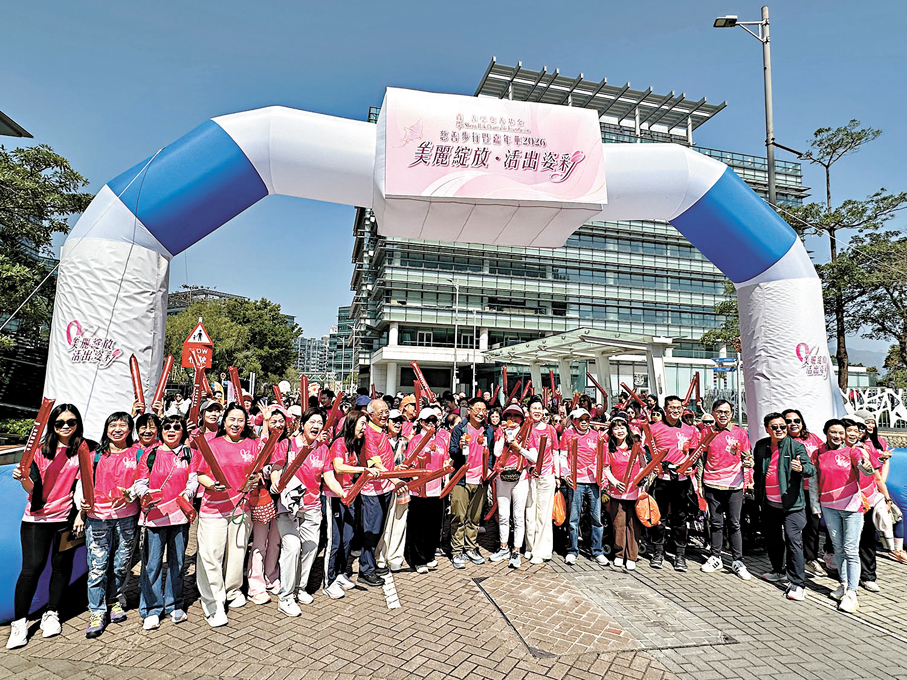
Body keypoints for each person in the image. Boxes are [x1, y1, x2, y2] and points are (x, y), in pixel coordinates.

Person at [8, 404, 87, 649]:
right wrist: (24, 478)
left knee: (61, 566)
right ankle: (20, 623)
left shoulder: (83, 449)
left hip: (66, 518)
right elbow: (32, 488)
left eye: (71, 422)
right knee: (32, 568)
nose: (66, 426)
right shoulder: (40, 451)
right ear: (52, 425)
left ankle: (52, 613)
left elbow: (83, 484)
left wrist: (81, 515)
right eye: (60, 422)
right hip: (37, 519)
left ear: (78, 424)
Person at [269, 407, 340, 615]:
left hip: (312, 508)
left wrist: (344, 492)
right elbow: (276, 468)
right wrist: (275, 482)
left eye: (320, 423)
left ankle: (300, 588)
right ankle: (286, 597)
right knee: (292, 547)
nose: (316, 426)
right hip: (288, 508)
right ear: (302, 424)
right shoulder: (287, 444)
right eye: (312, 422)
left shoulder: (323, 449)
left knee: (311, 547)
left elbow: (329, 477)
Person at [195, 403, 258, 627]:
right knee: (211, 556)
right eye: (232, 419)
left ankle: (232, 590)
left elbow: (257, 472)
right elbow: (201, 474)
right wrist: (211, 485)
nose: (236, 424)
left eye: (240, 420)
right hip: (214, 508)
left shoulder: (252, 445)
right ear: (224, 421)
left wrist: (255, 480)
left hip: (241, 508)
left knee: (237, 554)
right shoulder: (212, 444)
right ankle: (213, 603)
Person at [134, 415, 198, 629]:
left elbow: (193, 480)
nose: (171, 430)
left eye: (176, 427)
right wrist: (145, 493)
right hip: (155, 517)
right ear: (161, 431)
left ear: (183, 431)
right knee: (152, 564)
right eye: (167, 427)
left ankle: (174, 604)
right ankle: (151, 609)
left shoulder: (190, 454)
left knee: (177, 563)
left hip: (179, 516)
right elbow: (139, 482)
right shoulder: (149, 454)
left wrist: (187, 494)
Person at [83, 412, 141, 638]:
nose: (117, 429)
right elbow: (82, 483)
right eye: (112, 425)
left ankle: (114, 599)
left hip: (127, 517)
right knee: (98, 567)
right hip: (98, 518)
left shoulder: (138, 453)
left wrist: (131, 493)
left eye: (122, 425)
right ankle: (96, 611)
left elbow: (143, 481)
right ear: (106, 429)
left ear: (130, 429)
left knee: (121, 564)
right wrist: (81, 508)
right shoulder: (95, 455)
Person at [753, 412, 814, 601]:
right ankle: (778, 571)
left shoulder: (796, 447)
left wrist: (801, 469)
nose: (780, 429)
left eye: (782, 426)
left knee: (793, 541)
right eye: (775, 427)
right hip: (769, 504)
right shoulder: (761, 446)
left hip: (792, 505)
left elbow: (810, 468)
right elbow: (757, 471)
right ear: (767, 429)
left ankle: (798, 583)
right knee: (773, 540)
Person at [815, 419, 874, 612]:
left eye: (841, 432)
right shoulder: (818, 453)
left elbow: (865, 469)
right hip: (829, 507)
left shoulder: (853, 451)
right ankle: (843, 584)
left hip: (852, 507)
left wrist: (867, 466)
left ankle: (852, 593)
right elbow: (815, 479)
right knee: (838, 549)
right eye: (833, 432)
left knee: (851, 549)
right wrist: (816, 505)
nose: (838, 436)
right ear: (826, 433)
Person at [699, 400, 753, 581]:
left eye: (726, 412)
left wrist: (749, 466)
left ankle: (738, 560)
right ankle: (715, 557)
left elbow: (748, 457)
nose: (723, 415)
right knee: (715, 523)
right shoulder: (706, 433)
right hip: (712, 484)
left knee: (734, 523)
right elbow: (701, 460)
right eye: (719, 411)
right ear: (713, 413)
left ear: (731, 414)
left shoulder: (740, 433)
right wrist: (700, 484)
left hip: (734, 485)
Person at [324, 411, 374, 597]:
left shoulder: (354, 445)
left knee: (347, 538)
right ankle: (328, 581)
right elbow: (338, 467)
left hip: (349, 496)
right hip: (336, 496)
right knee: (335, 541)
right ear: (352, 424)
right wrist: (363, 469)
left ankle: (340, 573)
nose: (364, 428)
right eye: (362, 423)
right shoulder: (339, 443)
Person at [647, 395, 701, 571]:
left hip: (682, 481)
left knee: (680, 518)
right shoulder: (654, 428)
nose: (675, 411)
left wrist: (690, 467)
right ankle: (658, 552)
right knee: (659, 517)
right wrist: (658, 464)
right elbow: (646, 451)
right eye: (672, 407)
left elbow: (694, 454)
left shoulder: (690, 430)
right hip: (661, 480)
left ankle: (680, 555)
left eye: (679, 407)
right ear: (665, 409)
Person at [448, 397, 496, 569]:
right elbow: (452, 452)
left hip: (480, 479)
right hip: (461, 478)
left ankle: (470, 547)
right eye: (477, 409)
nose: (480, 413)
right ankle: (456, 550)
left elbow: (491, 453)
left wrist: (488, 468)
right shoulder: (460, 429)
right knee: (458, 516)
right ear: (469, 410)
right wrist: (461, 448)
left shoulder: (488, 430)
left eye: (484, 410)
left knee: (474, 517)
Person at [247, 407, 287, 605]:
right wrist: (264, 424)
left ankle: (271, 576)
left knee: (275, 541)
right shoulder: (259, 441)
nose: (278, 424)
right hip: (262, 494)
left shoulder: (288, 443)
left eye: (281, 420)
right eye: (273, 421)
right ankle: (255, 585)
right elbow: (260, 457)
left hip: (282, 497)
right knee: (260, 542)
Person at [488, 405, 535, 569]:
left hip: (520, 477)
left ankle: (516, 550)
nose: (513, 419)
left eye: (516, 416)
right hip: (502, 477)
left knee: (518, 516)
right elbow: (496, 452)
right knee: (503, 514)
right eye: (509, 416)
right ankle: (503, 547)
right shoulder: (500, 432)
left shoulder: (528, 434)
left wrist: (518, 447)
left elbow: (534, 458)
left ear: (522, 419)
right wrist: (503, 436)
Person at [405, 408, 451, 573]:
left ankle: (430, 555)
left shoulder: (440, 441)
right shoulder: (415, 440)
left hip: (436, 489)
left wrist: (446, 476)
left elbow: (445, 460)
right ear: (421, 422)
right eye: (427, 420)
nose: (431, 423)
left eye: (433, 420)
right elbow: (409, 463)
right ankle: (418, 559)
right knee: (419, 526)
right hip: (419, 490)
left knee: (434, 525)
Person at [560, 408, 608, 566]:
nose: (584, 422)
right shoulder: (568, 434)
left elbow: (601, 457)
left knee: (596, 518)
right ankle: (572, 550)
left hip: (594, 482)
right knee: (574, 519)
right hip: (576, 482)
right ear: (574, 421)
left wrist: (601, 475)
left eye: (587, 419)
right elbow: (563, 456)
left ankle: (597, 551)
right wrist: (566, 474)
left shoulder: (596, 435)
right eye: (580, 419)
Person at [783, 408, 825, 575]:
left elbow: (824, 454)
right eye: (788, 421)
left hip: (812, 489)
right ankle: (791, 562)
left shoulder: (812, 437)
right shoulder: (783, 440)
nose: (793, 424)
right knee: (793, 528)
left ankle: (810, 559)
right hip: (793, 490)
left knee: (812, 526)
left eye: (797, 420)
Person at [357, 400, 394, 586]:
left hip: (384, 487)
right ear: (370, 415)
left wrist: (395, 471)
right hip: (372, 490)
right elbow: (374, 462)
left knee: (378, 530)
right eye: (380, 413)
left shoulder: (381, 430)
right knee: (371, 532)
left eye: (386, 411)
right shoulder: (370, 433)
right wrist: (395, 478)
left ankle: (370, 564)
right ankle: (366, 570)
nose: (385, 415)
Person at [603, 415, 644, 570]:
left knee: (633, 525)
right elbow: (606, 468)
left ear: (627, 429)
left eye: (622, 427)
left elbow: (643, 466)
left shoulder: (636, 447)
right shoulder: (609, 448)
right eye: (616, 427)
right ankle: (619, 554)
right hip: (617, 492)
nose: (619, 430)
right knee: (618, 524)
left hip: (634, 491)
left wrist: (639, 480)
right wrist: (614, 482)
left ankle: (632, 556)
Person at [524, 396, 559, 565]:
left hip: (547, 476)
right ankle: (530, 546)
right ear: (528, 411)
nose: (537, 411)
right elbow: (522, 453)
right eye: (534, 408)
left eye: (539, 408)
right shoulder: (526, 429)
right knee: (530, 513)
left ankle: (542, 550)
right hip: (529, 477)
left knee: (544, 515)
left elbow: (555, 452)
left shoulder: (551, 430)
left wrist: (557, 475)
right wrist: (529, 468)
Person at [377, 410, 409, 572]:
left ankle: (395, 557)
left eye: (400, 421)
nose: (397, 424)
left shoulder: (406, 442)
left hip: (402, 486)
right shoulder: (380, 440)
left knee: (399, 522)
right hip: (383, 486)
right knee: (384, 523)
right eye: (394, 420)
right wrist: (393, 470)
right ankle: (380, 556)